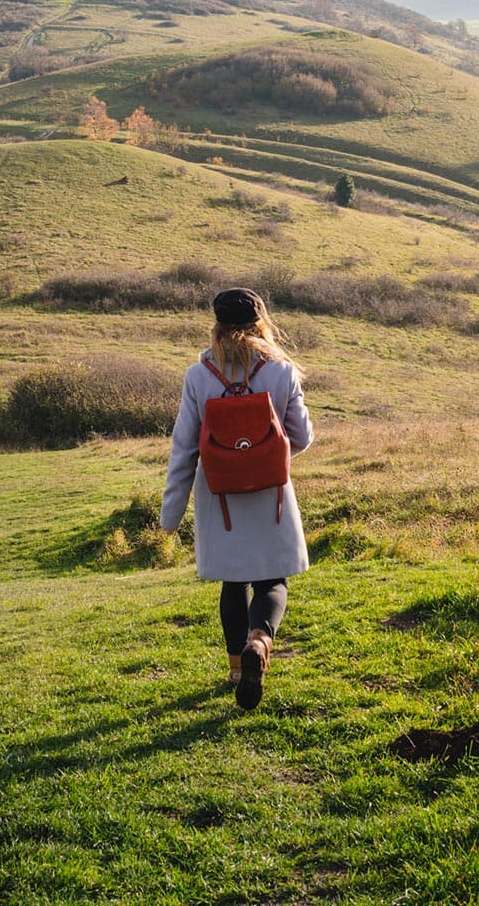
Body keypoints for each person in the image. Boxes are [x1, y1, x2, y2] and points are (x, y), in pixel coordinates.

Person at [160, 287, 314, 710]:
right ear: (260, 322)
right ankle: (260, 643)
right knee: (272, 579)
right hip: (270, 493)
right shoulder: (281, 371)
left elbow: (184, 448)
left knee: (233, 580)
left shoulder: (198, 376)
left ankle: (234, 667)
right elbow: (301, 436)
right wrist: (264, 455)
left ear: (217, 326)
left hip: (219, 498)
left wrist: (169, 518)